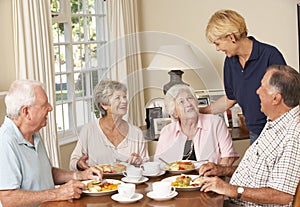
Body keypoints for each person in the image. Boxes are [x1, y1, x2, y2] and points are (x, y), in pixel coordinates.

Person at [198, 65, 300, 206]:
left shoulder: (293, 134)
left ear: (276, 99)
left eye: (262, 87)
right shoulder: (275, 120)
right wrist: (223, 170)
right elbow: (255, 173)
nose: (257, 91)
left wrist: (229, 189)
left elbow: (282, 195)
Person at [0, 80, 103, 207]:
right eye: (44, 105)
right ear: (26, 112)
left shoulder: (33, 133)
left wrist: (80, 175)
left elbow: (46, 173)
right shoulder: (5, 142)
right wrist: (57, 193)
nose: (50, 108)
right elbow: (8, 198)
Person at [201, 9, 286, 144]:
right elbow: (230, 99)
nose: (217, 49)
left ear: (231, 37)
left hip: (277, 132)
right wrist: (201, 111)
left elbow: (287, 97)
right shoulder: (230, 62)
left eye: (217, 43)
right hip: (255, 133)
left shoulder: (270, 55)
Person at [70, 80, 149, 171]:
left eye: (124, 97)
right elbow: (73, 162)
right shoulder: (89, 130)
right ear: (104, 105)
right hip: (100, 183)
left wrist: (140, 161)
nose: (124, 101)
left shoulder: (136, 133)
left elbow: (147, 166)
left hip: (130, 184)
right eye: (117, 98)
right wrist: (79, 164)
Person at [154, 84, 239, 166]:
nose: (188, 104)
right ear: (175, 113)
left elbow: (228, 158)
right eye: (181, 102)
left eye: (190, 98)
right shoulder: (167, 131)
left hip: (210, 178)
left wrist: (217, 173)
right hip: (176, 179)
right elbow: (160, 163)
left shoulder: (216, 123)